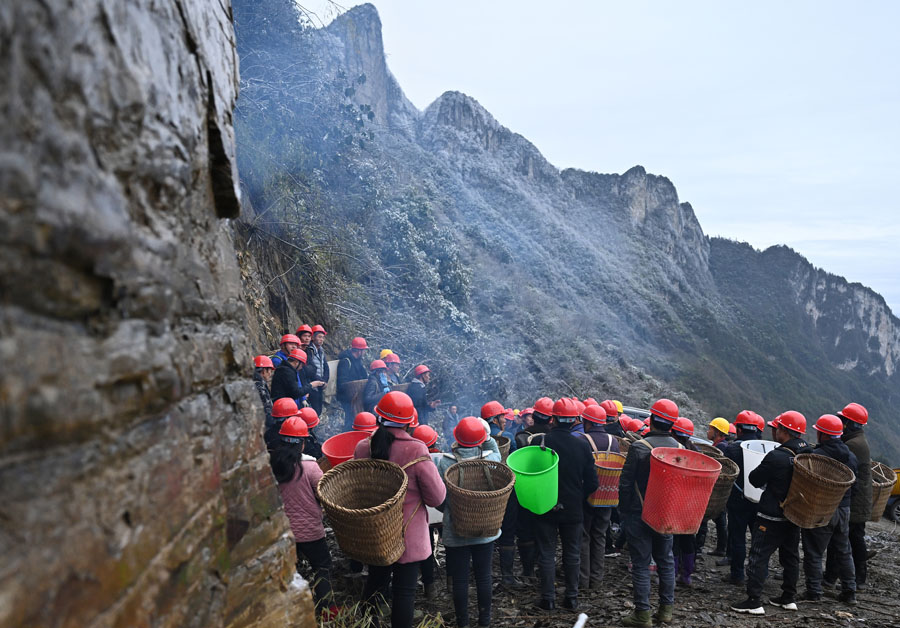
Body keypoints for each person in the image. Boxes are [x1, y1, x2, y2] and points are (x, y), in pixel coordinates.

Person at [354, 391, 446, 628]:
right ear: (408, 422)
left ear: (379, 417)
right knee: (404, 593)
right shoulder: (416, 450)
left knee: (375, 583)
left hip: (375, 533)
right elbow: (437, 497)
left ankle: (367, 623)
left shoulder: (363, 447)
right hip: (407, 536)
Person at [731, 411, 812, 615]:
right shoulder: (810, 454)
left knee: (759, 556)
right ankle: (788, 598)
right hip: (794, 514)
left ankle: (754, 601)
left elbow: (755, 479)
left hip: (771, 515)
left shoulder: (777, 456)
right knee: (791, 557)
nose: (774, 432)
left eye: (776, 428)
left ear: (784, 431)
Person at [618, 398, 682, 627]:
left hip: (639, 513)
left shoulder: (639, 447)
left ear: (652, 419)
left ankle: (642, 614)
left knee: (641, 563)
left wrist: (623, 512)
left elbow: (626, 483)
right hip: (666, 514)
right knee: (666, 561)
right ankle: (666, 611)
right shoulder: (680, 448)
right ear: (672, 424)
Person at [436, 417, 501, 627]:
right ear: (480, 439)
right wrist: (486, 435)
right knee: (483, 576)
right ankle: (485, 620)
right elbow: (494, 448)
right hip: (485, 529)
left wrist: (448, 511)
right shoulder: (492, 460)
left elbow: (440, 497)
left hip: (456, 531)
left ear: (457, 437)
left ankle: (463, 622)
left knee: (460, 580)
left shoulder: (445, 463)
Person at [534, 398, 598, 611]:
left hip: (545, 506)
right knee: (572, 553)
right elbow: (592, 482)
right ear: (574, 421)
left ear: (553, 418)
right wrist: (577, 497)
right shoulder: (582, 445)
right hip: (572, 508)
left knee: (547, 553)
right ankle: (571, 597)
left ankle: (548, 599)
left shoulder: (540, 442)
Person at [270, 415, 338, 617]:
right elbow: (325, 493)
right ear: (302, 443)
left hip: (282, 531)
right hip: (310, 532)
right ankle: (327, 610)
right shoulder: (309, 467)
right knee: (322, 566)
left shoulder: (271, 464)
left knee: (290, 570)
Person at [801, 414, 858, 604]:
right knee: (844, 551)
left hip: (822, 509)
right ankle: (850, 591)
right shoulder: (851, 457)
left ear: (823, 435)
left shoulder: (816, 457)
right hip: (844, 509)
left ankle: (814, 592)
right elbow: (855, 486)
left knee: (814, 552)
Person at [824, 402, 872, 592]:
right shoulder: (856, 440)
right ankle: (841, 577)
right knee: (850, 539)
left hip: (855, 501)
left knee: (847, 540)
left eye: (844, 420)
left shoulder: (853, 444)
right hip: (859, 499)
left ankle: (849, 578)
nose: (841, 423)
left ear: (850, 424)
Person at [577, 404, 619, 591]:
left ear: (587, 422)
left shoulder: (582, 440)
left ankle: (583, 580)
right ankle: (597, 580)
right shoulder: (614, 441)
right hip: (608, 495)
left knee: (584, 537)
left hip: (586, 496)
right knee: (600, 536)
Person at [720, 410, 763, 584]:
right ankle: (759, 574)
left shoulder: (733, 448)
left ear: (738, 429)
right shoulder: (763, 448)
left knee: (738, 538)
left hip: (737, 500)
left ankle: (737, 574)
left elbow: (726, 472)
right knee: (758, 541)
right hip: (759, 500)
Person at [671, 418, 699, 588]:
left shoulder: (672, 451)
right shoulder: (695, 452)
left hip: (674, 501)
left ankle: (671, 575)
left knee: (673, 539)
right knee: (688, 539)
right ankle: (686, 575)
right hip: (692, 503)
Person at [698, 417, 731, 557]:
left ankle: (699, 547)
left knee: (706, 519)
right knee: (720, 520)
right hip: (720, 490)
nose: (708, 431)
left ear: (717, 432)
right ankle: (722, 547)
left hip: (715, 489)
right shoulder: (721, 446)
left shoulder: (720, 448)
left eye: (710, 428)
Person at [337, 337, 369, 431]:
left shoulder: (358, 361)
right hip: (347, 397)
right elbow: (342, 382)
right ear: (358, 351)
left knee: (355, 420)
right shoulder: (346, 362)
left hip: (356, 396)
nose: (364, 353)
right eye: (363, 350)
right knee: (349, 421)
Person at [304, 325, 330, 414]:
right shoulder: (309, 350)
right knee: (314, 409)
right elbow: (310, 369)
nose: (321, 339)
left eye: (323, 337)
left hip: (320, 384)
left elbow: (326, 367)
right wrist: (321, 381)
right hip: (312, 384)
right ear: (313, 337)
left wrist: (325, 380)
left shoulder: (321, 351)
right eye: (319, 337)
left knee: (319, 408)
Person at [253, 355, 275, 427]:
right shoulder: (260, 387)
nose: (270, 374)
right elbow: (267, 409)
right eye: (270, 371)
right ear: (264, 371)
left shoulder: (252, 383)